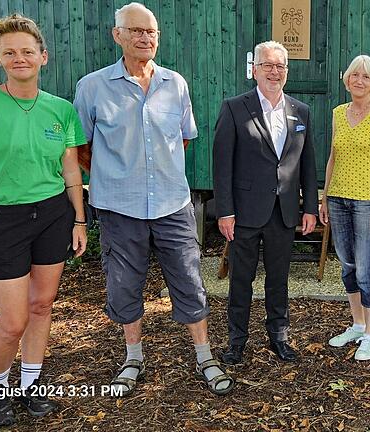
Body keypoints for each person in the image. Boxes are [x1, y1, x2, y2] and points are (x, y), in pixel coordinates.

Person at [73, 2, 233, 397]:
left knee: (190, 281)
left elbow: (181, 139)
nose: (146, 38)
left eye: (152, 32)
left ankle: (205, 356)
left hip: (171, 204)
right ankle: (133, 357)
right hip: (118, 206)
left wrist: (154, 171)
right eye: (137, 31)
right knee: (124, 286)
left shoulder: (174, 84)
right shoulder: (92, 87)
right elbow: (80, 147)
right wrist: (118, 176)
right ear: (118, 35)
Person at [0, 14, 87, 427]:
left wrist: (79, 221)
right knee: (12, 321)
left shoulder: (60, 109)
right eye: (10, 52)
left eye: (28, 51)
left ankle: (31, 386)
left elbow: (71, 171)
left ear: (43, 57)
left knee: (42, 306)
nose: (20, 58)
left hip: (51, 215)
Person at [213, 40, 318, 365]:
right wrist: (225, 211)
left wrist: (310, 207)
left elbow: (307, 162)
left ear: (287, 71)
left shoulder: (300, 111)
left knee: (279, 278)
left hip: (284, 212)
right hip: (244, 211)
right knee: (241, 280)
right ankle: (236, 342)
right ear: (254, 70)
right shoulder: (234, 107)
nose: (274, 71)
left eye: (280, 66)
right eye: (268, 65)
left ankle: (279, 337)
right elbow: (222, 163)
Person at [319, 55, 370, 361]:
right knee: (347, 265)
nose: (359, 80)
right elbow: (333, 158)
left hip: (367, 202)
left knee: (365, 270)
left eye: (365, 76)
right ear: (347, 79)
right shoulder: (338, 113)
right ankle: (357, 324)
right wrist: (324, 196)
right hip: (338, 197)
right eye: (354, 75)